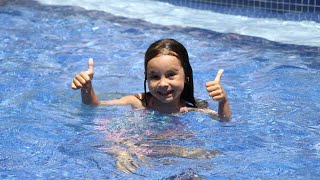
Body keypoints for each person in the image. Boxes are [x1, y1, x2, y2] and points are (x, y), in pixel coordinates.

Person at [71, 38, 231, 120]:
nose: (163, 83)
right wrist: (87, 87)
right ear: (147, 79)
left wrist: (223, 101)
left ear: (186, 77)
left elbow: (224, 121)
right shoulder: (138, 102)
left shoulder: (193, 110)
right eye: (155, 77)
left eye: (171, 75)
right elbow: (95, 106)